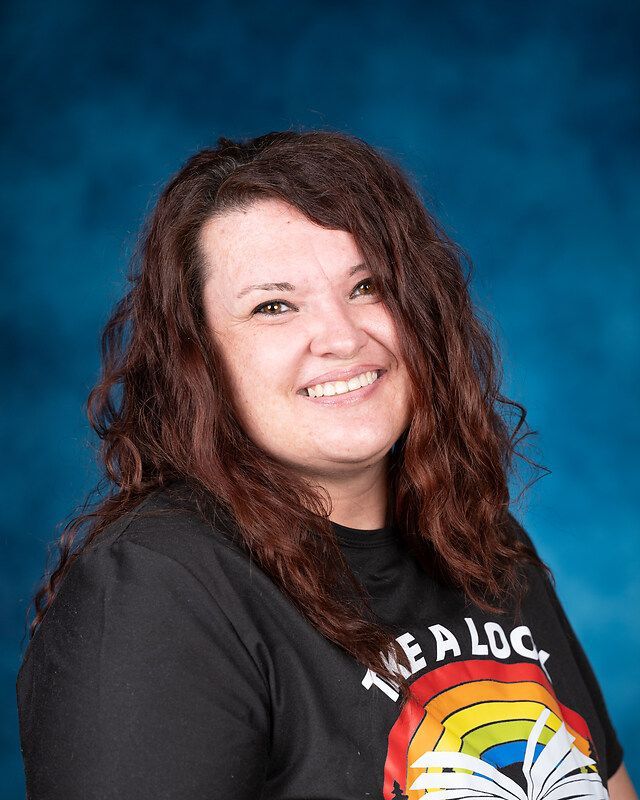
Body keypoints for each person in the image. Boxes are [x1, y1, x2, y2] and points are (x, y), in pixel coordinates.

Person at [17, 130, 636, 800]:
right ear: (198, 361)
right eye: (273, 306)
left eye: (367, 286)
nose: (342, 337)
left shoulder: (482, 544)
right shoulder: (154, 594)